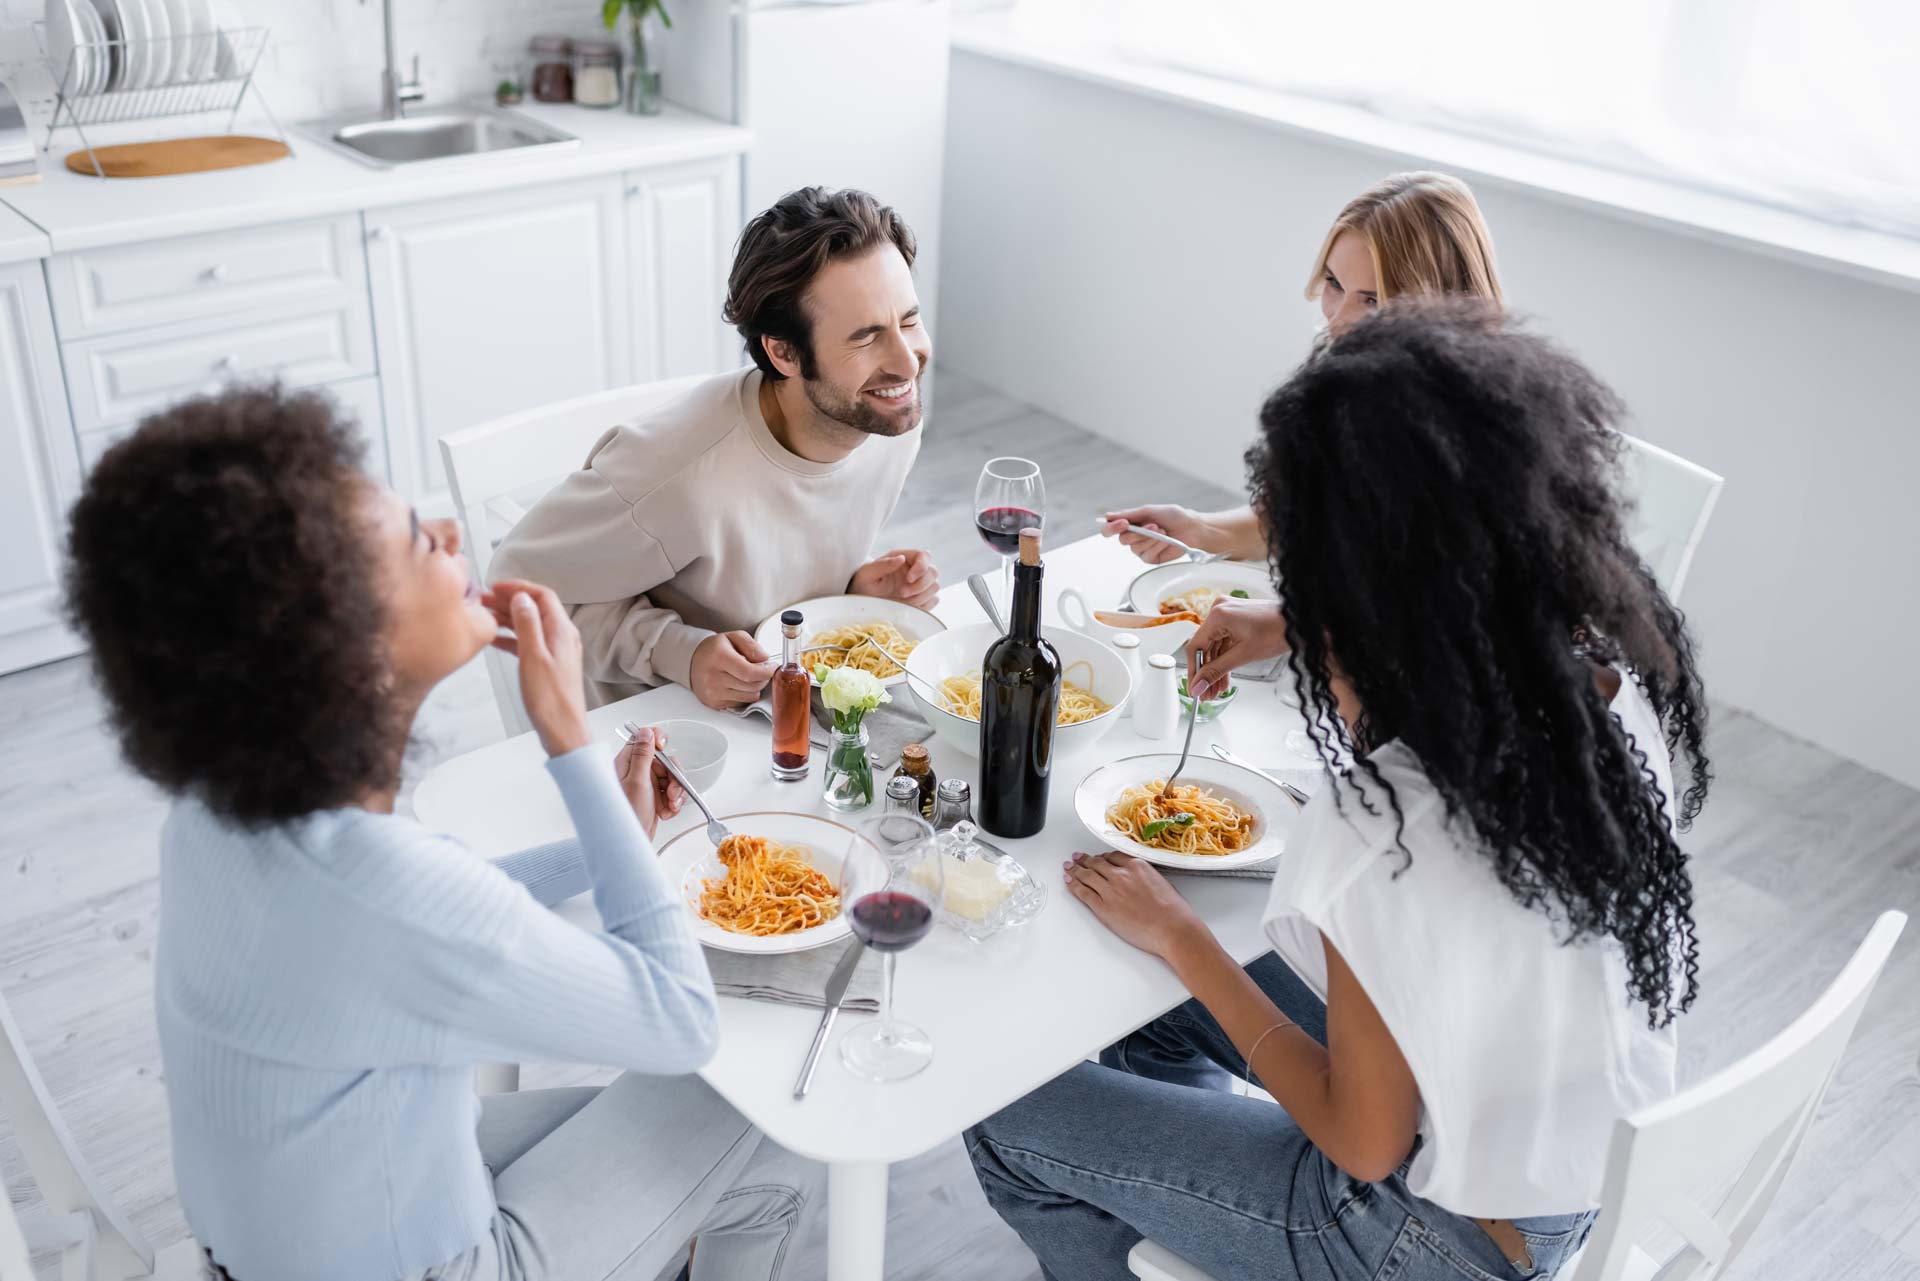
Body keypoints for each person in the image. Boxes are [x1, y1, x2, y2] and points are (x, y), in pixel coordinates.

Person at [966, 300, 1712, 1281]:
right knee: (1148, 1001)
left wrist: (1185, 938)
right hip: (1554, 1171)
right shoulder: (1609, 690)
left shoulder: (1388, 820)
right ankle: (1185, 1181)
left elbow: (1363, 1146)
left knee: (1010, 1117)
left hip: (1426, 1240)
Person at [64, 385, 820, 1281]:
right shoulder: (391, 893)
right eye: (421, 541)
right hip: (440, 1262)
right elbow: (680, 1019)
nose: (455, 538)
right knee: (763, 1106)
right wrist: (569, 740)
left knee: (757, 1170)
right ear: (344, 643)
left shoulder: (211, 816)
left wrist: (610, 832)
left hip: (291, 1240)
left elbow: (437, 908)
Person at [488, 185, 939, 711]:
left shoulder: (888, 421)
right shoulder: (678, 480)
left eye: (908, 320)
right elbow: (510, 591)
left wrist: (849, 594)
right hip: (659, 734)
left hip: (788, 706)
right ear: (784, 353)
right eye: (867, 337)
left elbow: (769, 557)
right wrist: (678, 651)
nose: (908, 364)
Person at [1101, 171, 1502, 565]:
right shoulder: (1355, 377)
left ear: (1439, 301)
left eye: (1373, 301)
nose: (1338, 319)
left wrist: (1276, 629)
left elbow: (1428, 602)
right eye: (1334, 283)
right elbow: (1309, 518)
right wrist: (1201, 530)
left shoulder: (1485, 424)